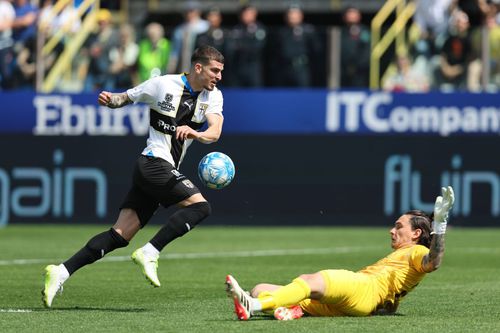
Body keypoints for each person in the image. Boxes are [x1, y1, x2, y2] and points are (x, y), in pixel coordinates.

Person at [42, 45, 225, 308]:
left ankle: (60, 271)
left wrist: (196, 133)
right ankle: (150, 252)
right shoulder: (163, 85)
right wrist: (110, 100)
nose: (218, 76)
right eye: (214, 70)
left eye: (220, 72)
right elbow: (124, 98)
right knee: (201, 206)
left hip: (159, 168)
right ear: (198, 67)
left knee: (120, 235)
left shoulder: (213, 96)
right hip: (152, 162)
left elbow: (215, 131)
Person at [226, 186, 455, 320]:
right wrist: (386, 306)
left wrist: (440, 227)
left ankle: (252, 306)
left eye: (398, 226)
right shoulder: (403, 259)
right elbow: (392, 301)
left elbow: (433, 262)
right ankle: (286, 307)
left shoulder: (416, 251)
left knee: (309, 280)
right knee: (260, 289)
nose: (392, 230)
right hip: (361, 300)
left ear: (416, 233)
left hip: (363, 288)